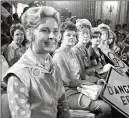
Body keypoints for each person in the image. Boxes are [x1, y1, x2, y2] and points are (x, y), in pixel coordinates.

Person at [4, 6, 71, 118]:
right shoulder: (18, 75)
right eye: (45, 30)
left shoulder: (53, 65)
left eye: (55, 31)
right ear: (30, 34)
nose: (52, 36)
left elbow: (61, 102)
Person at [53, 21, 111, 118]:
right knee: (105, 108)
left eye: (74, 35)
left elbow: (83, 74)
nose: (72, 37)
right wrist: (89, 83)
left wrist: (97, 80)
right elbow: (69, 81)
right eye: (68, 35)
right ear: (60, 37)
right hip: (67, 93)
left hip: (81, 88)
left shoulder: (73, 52)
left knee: (108, 96)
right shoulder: (58, 55)